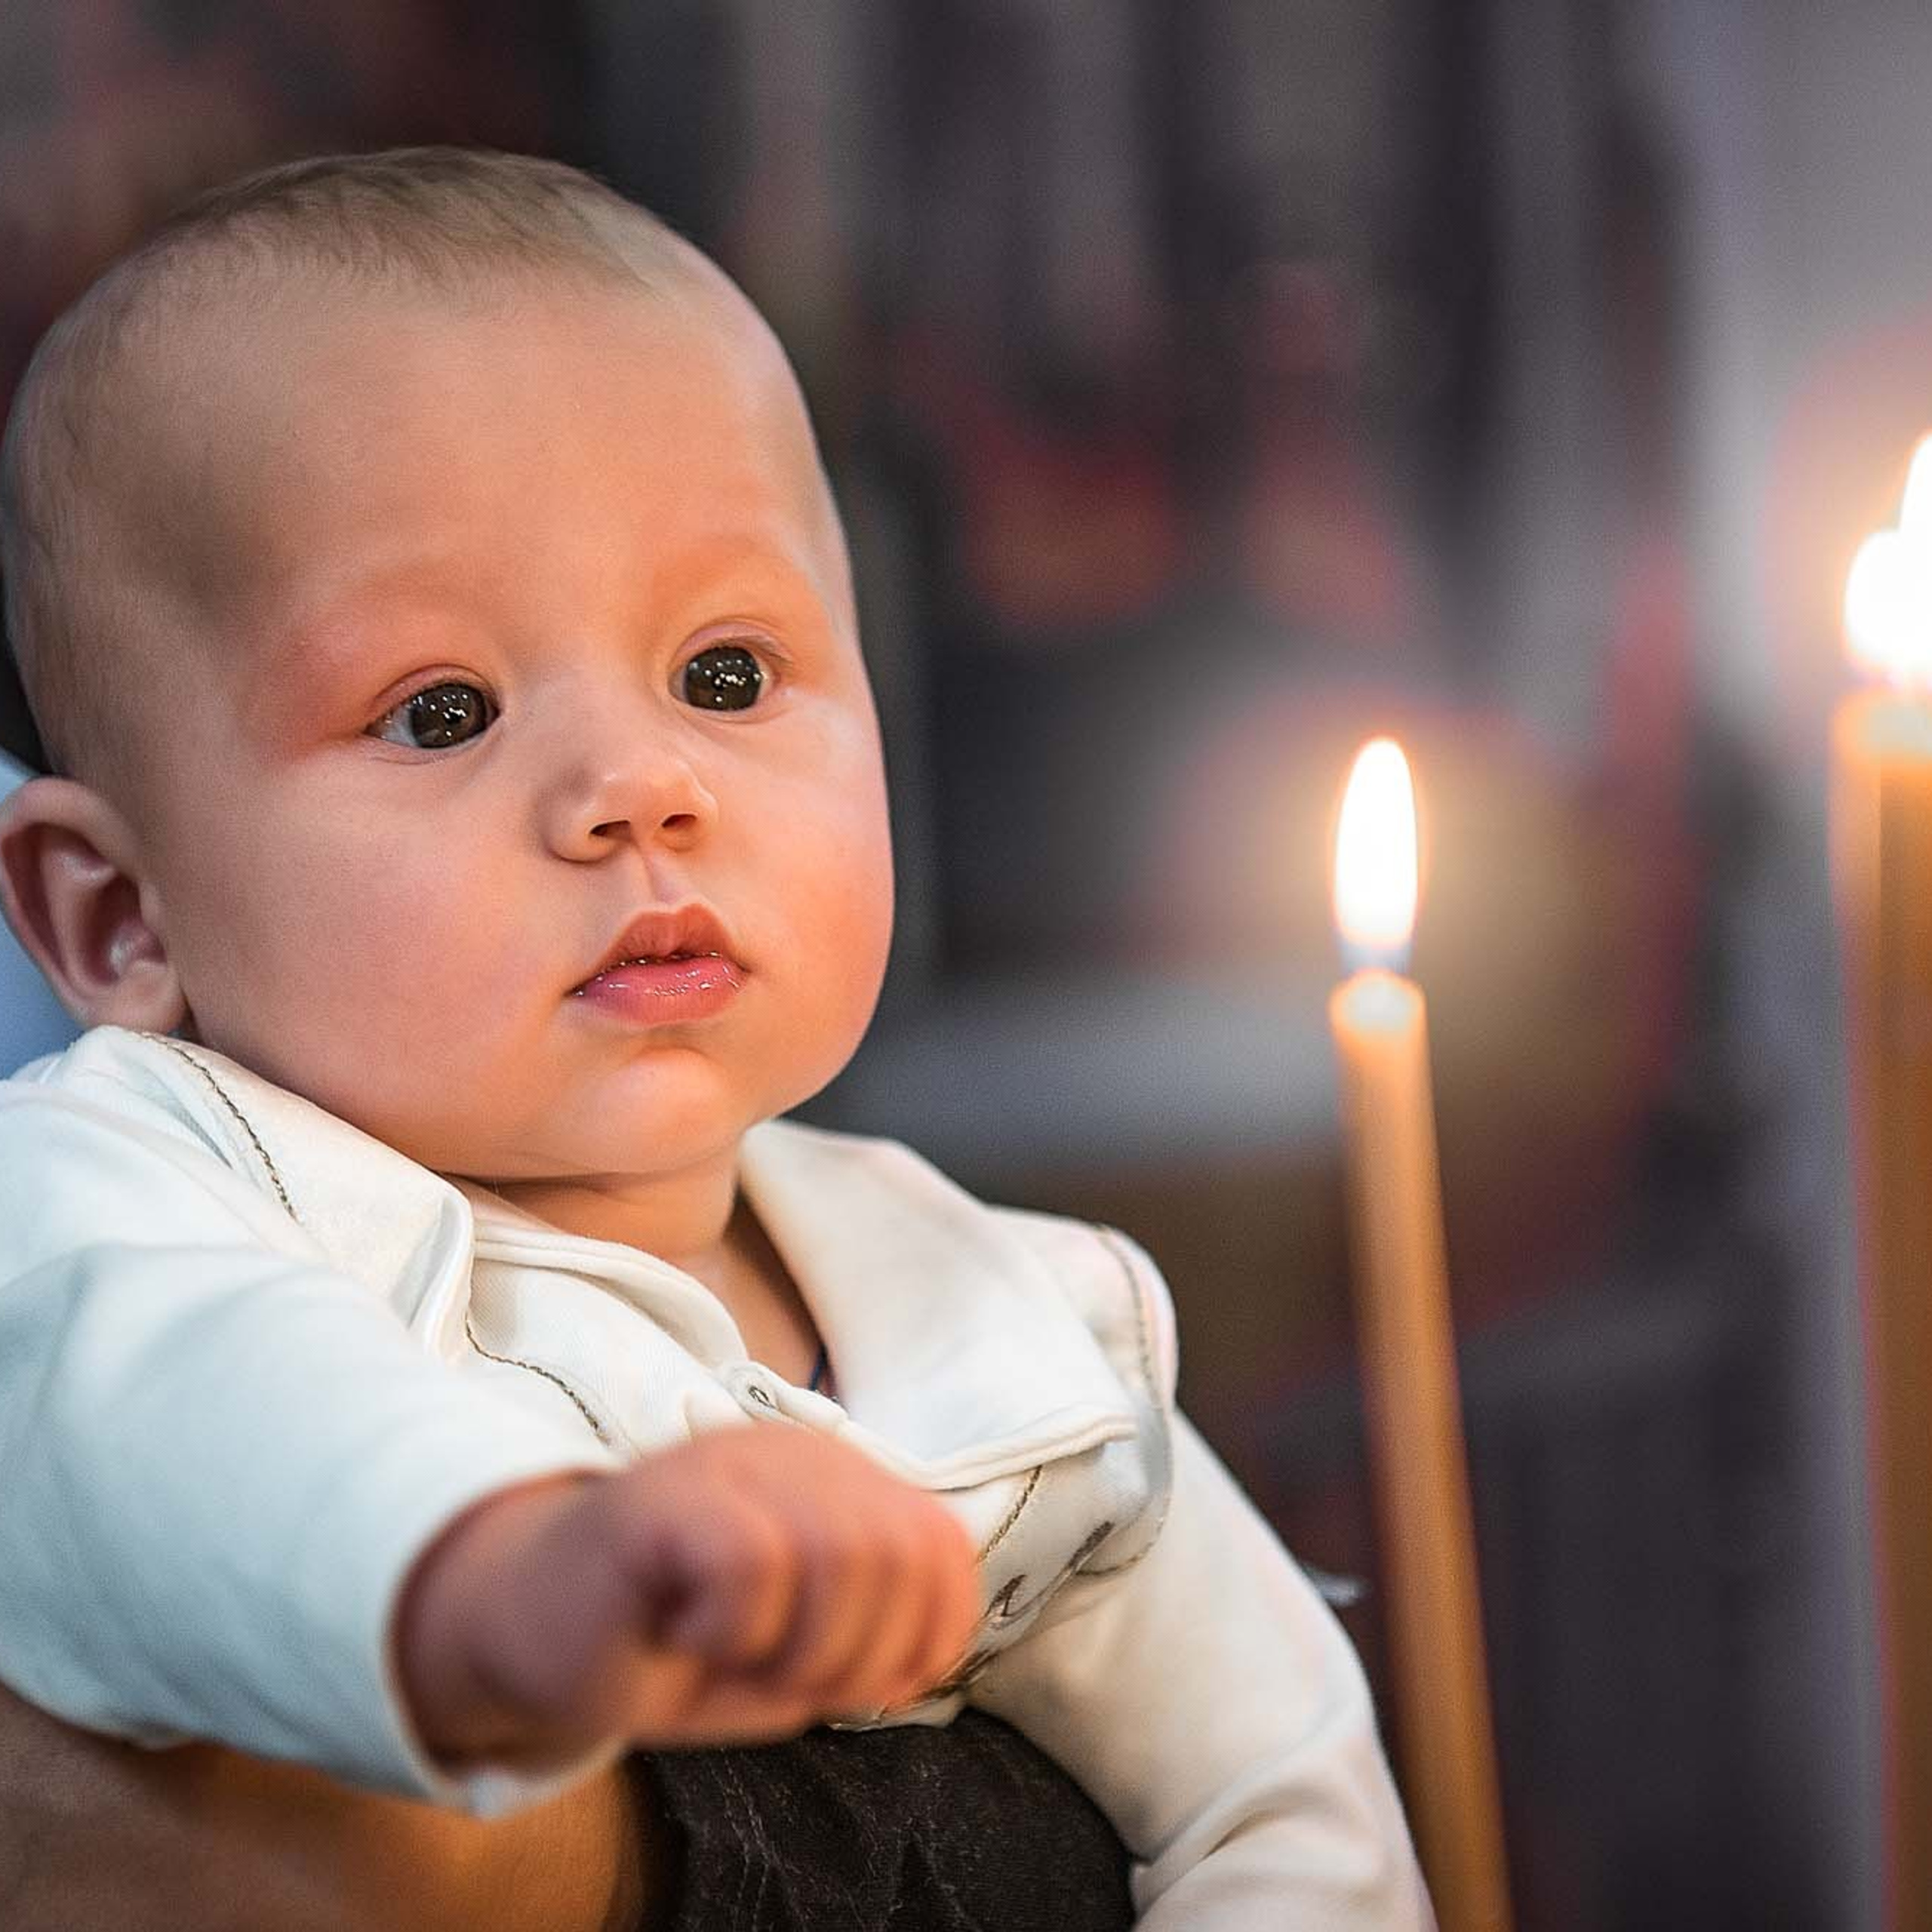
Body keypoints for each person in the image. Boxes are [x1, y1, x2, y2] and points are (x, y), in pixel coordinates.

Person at [0, 148, 1430, 1929]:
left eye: (725, 674)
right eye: (441, 710)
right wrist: (509, 1579)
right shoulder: (128, 1187)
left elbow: (1280, 1796)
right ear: (118, 915)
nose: (637, 785)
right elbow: (175, 1424)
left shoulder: (1011, 1317)